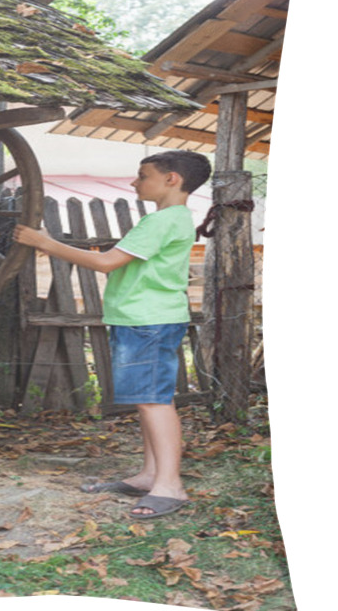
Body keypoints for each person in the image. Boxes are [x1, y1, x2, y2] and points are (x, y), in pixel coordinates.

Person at [13, 150, 212, 519]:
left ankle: (171, 486)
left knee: (154, 401)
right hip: (142, 318)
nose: (135, 183)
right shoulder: (171, 220)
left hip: (148, 320)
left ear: (172, 179)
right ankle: (151, 475)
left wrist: (45, 243)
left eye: (143, 175)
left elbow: (107, 263)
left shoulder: (163, 221)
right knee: (147, 398)